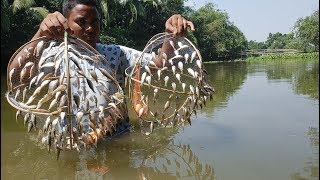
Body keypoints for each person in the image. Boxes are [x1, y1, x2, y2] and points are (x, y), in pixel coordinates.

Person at [8, 0, 195, 144]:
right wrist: (41, 35)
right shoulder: (50, 55)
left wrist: (170, 35)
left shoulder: (116, 53)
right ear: (66, 24)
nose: (90, 28)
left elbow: (160, 63)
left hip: (117, 140)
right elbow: (15, 77)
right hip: (73, 142)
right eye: (81, 22)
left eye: (94, 22)